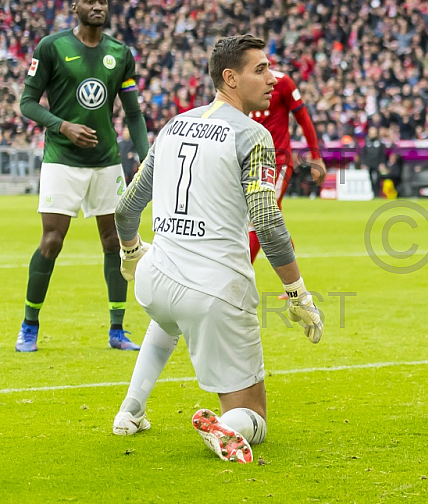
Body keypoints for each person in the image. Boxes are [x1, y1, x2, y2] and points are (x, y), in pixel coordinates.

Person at [111, 35, 324, 463]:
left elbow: (127, 205)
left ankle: (129, 413)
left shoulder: (172, 125)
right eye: (260, 69)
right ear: (230, 78)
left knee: (166, 319)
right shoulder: (253, 134)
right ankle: (228, 426)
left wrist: (131, 252)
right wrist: (299, 293)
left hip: (156, 280)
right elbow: (266, 221)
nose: (272, 78)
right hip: (214, 292)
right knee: (256, 415)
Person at [15, 0, 149, 352]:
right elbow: (27, 103)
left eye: (103, 1)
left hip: (107, 163)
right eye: (90, 0)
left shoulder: (120, 53)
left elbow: (133, 113)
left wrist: (146, 155)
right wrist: (63, 126)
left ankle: (117, 329)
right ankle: (29, 325)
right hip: (62, 159)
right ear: (75, 7)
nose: (97, 6)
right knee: (52, 241)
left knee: (117, 244)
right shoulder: (52, 47)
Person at [247, 64, 326, 264]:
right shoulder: (239, 83)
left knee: (259, 218)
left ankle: (238, 277)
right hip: (249, 162)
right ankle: (294, 285)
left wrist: (316, 157)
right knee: (273, 222)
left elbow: (304, 119)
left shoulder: (282, 83)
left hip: (277, 161)